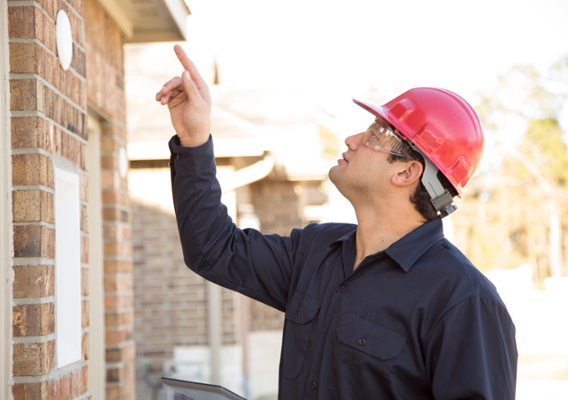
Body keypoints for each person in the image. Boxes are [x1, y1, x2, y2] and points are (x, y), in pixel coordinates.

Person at [156, 44, 518, 400]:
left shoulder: (463, 300)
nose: (353, 139)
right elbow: (214, 249)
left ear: (408, 171)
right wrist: (194, 139)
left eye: (377, 133)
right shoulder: (315, 252)